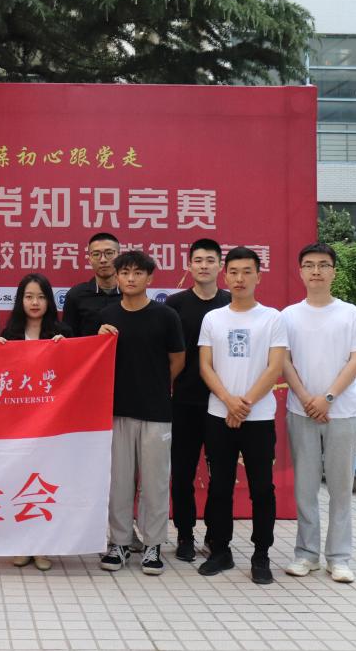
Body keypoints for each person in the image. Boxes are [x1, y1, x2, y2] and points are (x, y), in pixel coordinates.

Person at [197, 246, 287, 585]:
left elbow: (274, 367)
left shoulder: (272, 318)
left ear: (258, 276)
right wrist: (228, 401)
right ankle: (220, 550)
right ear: (225, 275)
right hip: (218, 415)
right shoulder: (213, 318)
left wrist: (244, 404)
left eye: (247, 272)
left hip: (258, 417)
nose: (239, 278)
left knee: (262, 488)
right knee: (219, 487)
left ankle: (261, 555)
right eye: (233, 272)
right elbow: (205, 366)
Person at [281, 242, 356, 584]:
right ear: (300, 271)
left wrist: (328, 398)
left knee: (340, 487)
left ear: (334, 271)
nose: (316, 271)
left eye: (323, 265)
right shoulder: (288, 315)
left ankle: (339, 557)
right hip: (300, 410)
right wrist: (306, 398)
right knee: (305, 488)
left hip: (341, 412)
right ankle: (306, 554)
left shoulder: (351, 314)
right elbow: (283, 361)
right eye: (309, 265)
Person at [95, 251, 185, 576]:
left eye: (137, 273)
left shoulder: (166, 316)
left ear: (150, 278)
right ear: (117, 277)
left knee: (155, 482)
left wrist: (155, 385)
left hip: (156, 412)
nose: (130, 278)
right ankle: (119, 543)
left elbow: (177, 359)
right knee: (119, 482)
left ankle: (152, 545)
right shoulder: (106, 316)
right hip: (116, 411)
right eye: (125, 272)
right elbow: (95, 362)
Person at [0, 273, 72, 571]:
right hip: (18, 426)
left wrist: (67, 349)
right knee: (19, 484)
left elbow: (74, 373)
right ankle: (22, 544)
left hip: (52, 426)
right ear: (20, 300)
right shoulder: (10, 333)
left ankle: (43, 546)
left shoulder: (62, 333)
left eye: (40, 297)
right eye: (29, 297)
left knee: (44, 485)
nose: (35, 302)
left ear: (49, 301)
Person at [164, 239, 230, 562]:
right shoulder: (174, 305)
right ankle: (185, 535)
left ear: (220, 266)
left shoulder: (232, 303)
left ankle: (215, 535)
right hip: (184, 402)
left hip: (224, 403)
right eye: (198, 260)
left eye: (210, 260)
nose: (204, 266)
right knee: (182, 474)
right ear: (188, 265)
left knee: (221, 475)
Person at [62, 232, 122, 337]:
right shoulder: (75, 295)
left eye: (109, 253)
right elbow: (69, 339)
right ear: (89, 260)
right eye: (96, 254)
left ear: (119, 257)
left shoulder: (130, 293)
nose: (103, 260)